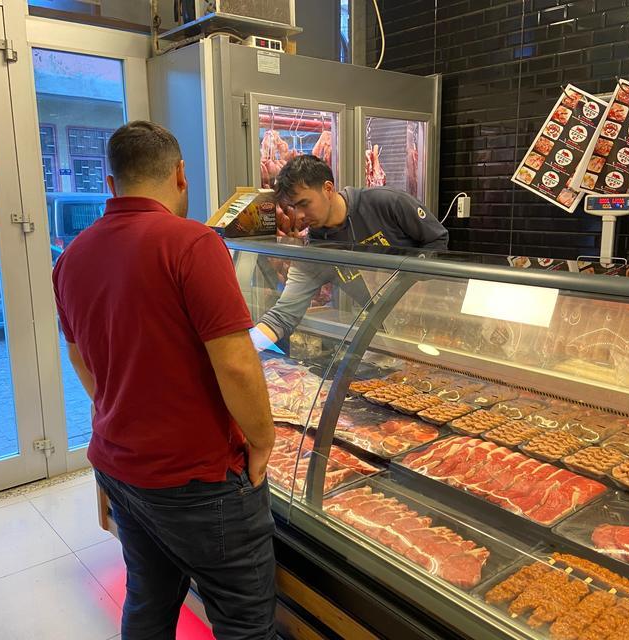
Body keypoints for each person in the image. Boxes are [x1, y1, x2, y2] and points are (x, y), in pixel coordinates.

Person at [52, 121, 277, 640]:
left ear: (111, 184)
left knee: (148, 600)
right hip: (198, 481)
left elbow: (79, 357)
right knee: (245, 625)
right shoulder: (192, 242)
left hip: (119, 468)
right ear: (180, 174)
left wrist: (123, 408)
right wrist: (262, 441)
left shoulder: (72, 257)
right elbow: (236, 363)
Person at [255, 154, 449, 345]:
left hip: (434, 322)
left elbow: (437, 240)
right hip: (386, 332)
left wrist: (414, 281)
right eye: (293, 208)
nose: (299, 215)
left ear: (328, 189)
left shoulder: (387, 203)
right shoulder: (317, 251)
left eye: (304, 204)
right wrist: (247, 347)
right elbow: (283, 315)